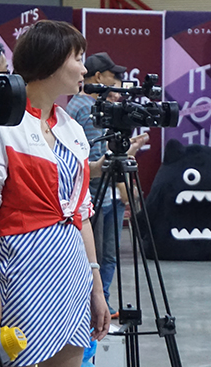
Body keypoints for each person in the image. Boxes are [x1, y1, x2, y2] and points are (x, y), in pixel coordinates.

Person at [0, 20, 110, 367]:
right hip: (21, 269)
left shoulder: (72, 129)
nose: (84, 69)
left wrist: (97, 288)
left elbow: (81, 215)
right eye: (78, 58)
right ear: (52, 61)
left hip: (72, 269)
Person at [65, 52, 147, 317]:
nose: (118, 82)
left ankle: (104, 305)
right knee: (98, 256)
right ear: (99, 77)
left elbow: (104, 151)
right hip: (94, 195)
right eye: (114, 76)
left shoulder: (91, 107)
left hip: (104, 193)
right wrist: (124, 187)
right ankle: (97, 305)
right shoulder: (84, 108)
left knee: (107, 255)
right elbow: (92, 158)